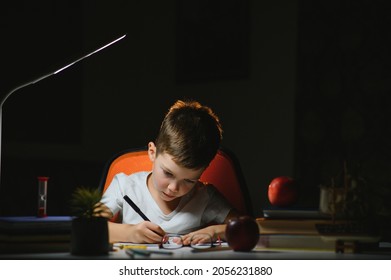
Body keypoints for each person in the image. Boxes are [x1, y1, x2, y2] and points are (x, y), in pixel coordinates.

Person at [98, 99, 239, 245]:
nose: (174, 188)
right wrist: (129, 233)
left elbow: (252, 227)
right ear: (152, 152)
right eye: (168, 173)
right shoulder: (124, 187)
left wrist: (215, 231)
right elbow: (87, 228)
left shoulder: (205, 197)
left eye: (189, 180)